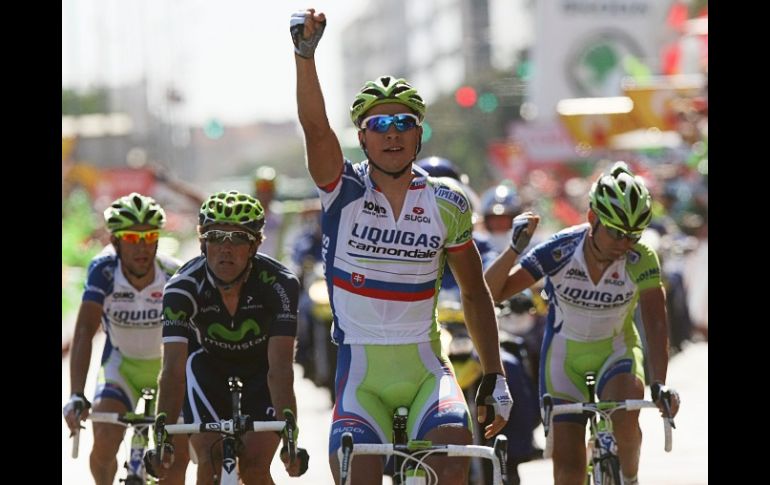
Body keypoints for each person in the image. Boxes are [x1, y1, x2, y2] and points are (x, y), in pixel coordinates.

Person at [291, 10, 512, 485]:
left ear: (418, 133)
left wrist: (495, 375)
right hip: (361, 380)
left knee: (453, 458)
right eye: (379, 123)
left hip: (426, 370)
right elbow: (315, 130)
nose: (392, 132)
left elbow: (475, 294)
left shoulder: (447, 203)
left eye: (403, 122)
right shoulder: (342, 190)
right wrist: (304, 56)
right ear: (362, 137)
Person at [484, 162, 681, 485]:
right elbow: (491, 292)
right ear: (592, 218)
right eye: (616, 232)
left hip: (616, 352)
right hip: (565, 361)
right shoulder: (560, 249)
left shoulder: (641, 257)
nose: (623, 243)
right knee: (569, 470)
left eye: (633, 235)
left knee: (627, 418)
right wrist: (514, 250)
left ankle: (629, 479)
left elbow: (657, 322)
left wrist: (659, 382)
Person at [145, 190, 307, 483]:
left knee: (256, 467)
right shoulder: (181, 288)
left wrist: (290, 437)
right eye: (216, 237)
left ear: (255, 245)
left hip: (261, 372)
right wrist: (163, 438)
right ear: (202, 243)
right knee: (211, 460)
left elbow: (281, 369)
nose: (226, 248)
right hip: (207, 370)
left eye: (238, 238)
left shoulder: (280, 284)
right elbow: (172, 371)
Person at [62, 192, 189, 485]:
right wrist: (77, 394)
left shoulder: (173, 273)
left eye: (149, 237)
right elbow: (83, 332)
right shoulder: (103, 271)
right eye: (132, 237)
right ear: (116, 242)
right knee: (105, 440)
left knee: (174, 460)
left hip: (167, 372)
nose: (142, 246)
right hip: (121, 369)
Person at [479, 182, 524, 254]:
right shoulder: (478, 246)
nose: (498, 222)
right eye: (494, 218)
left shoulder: (527, 246)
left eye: (504, 218)